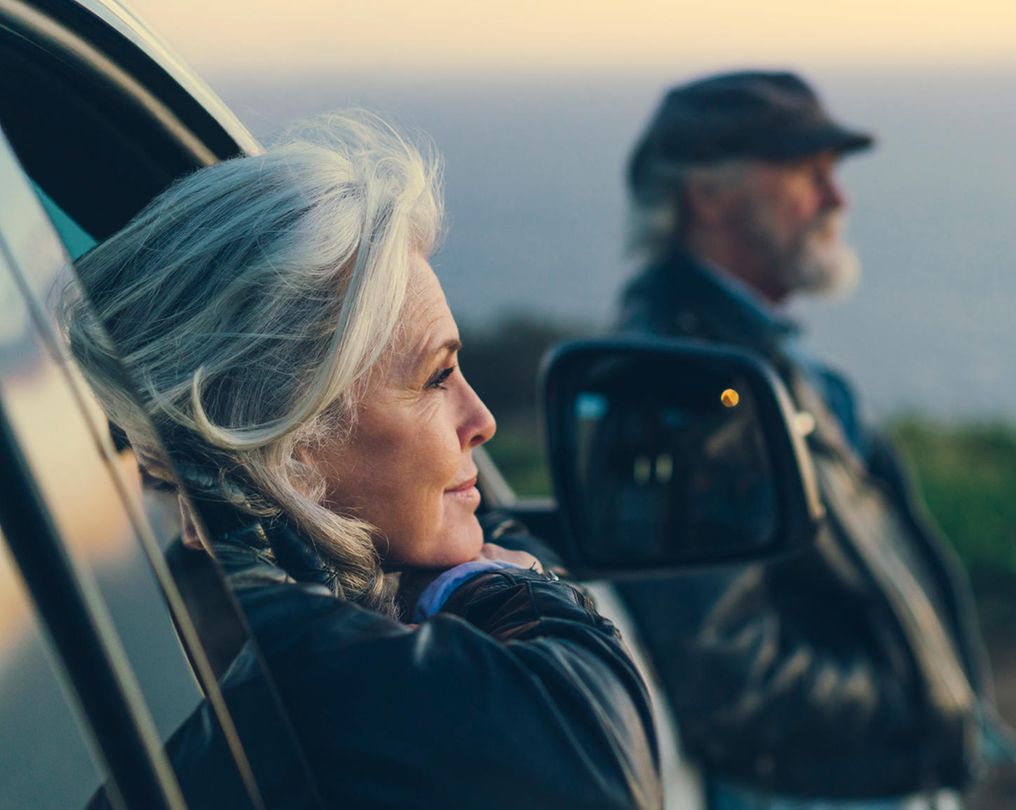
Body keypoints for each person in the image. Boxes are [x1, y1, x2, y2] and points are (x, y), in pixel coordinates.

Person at [63, 112, 661, 809]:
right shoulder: (269, 655)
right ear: (287, 439)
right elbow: (586, 764)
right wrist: (494, 586)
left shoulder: (154, 598)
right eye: (437, 378)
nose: (483, 420)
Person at [613, 71, 1016, 808]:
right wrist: (912, 708)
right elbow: (724, 669)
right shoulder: (676, 384)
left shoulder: (751, 362)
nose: (839, 198)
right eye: (809, 172)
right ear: (706, 196)